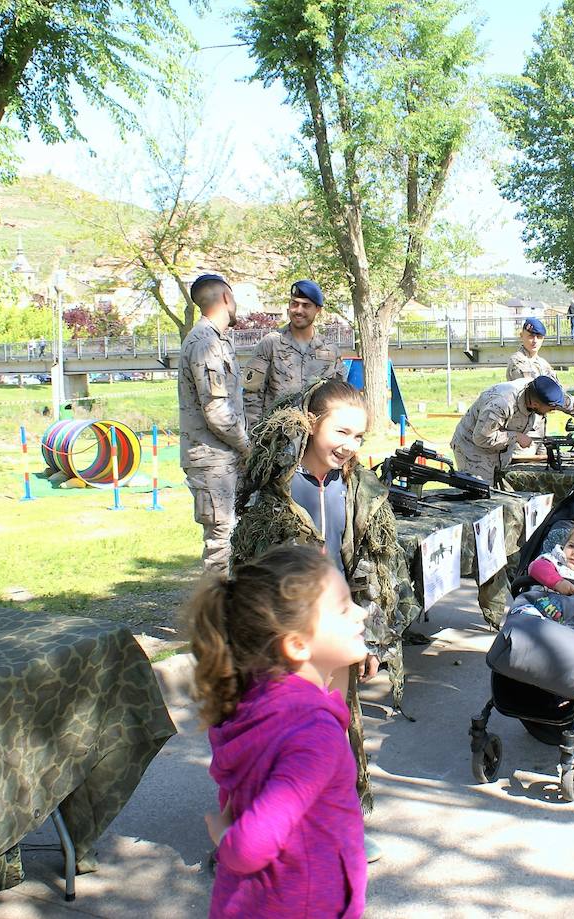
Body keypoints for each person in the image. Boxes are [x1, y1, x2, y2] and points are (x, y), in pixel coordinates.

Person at [231, 378, 413, 860]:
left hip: (334, 634)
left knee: (335, 739)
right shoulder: (273, 493)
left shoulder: (357, 490)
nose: (350, 446)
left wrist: (370, 640)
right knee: (274, 742)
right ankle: (253, 836)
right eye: (341, 431)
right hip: (282, 642)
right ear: (311, 424)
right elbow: (251, 575)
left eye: (359, 436)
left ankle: (335, 828)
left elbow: (373, 567)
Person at [188, 544, 367, 919]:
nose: (361, 613)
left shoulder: (256, 701)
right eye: (343, 607)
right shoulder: (313, 733)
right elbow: (249, 845)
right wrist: (224, 838)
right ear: (298, 645)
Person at [179, 273, 250, 573]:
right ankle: (215, 619)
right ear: (225, 298)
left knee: (232, 543)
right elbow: (217, 413)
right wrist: (249, 447)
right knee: (222, 547)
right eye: (233, 298)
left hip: (222, 459)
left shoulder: (214, 341)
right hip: (212, 462)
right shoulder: (206, 343)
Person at [452, 375, 574, 485]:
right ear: (535, 405)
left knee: (498, 494)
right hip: (473, 451)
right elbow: (481, 438)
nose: (553, 410)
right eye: (551, 408)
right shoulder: (502, 403)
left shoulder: (540, 392)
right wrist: (515, 436)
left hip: (498, 452)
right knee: (482, 499)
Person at [241, 280, 346, 430]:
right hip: (277, 436)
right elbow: (252, 395)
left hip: (317, 436)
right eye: (294, 304)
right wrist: (255, 435)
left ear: (318, 310)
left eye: (306, 305)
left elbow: (339, 397)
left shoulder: (331, 350)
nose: (298, 310)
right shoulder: (270, 343)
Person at [508, 521, 574, 622]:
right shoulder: (554, 561)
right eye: (571, 546)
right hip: (539, 607)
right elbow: (535, 567)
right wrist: (557, 582)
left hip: (571, 621)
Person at [506, 317, 556, 456]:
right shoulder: (517, 360)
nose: (535, 340)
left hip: (541, 429)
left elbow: (556, 392)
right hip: (522, 430)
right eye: (531, 336)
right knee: (521, 473)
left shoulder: (544, 364)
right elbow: (534, 394)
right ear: (522, 336)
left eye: (539, 337)